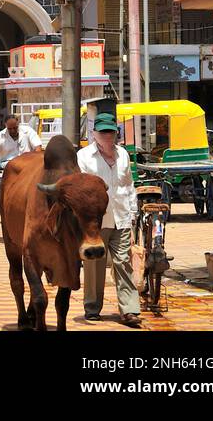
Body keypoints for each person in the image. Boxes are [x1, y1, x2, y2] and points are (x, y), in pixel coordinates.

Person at [77, 113, 141, 328]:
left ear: (116, 134)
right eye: (102, 131)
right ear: (94, 134)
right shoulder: (84, 157)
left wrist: (133, 216)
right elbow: (82, 191)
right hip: (96, 222)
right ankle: (92, 307)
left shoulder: (123, 155)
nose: (106, 135)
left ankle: (130, 310)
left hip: (121, 218)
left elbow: (129, 185)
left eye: (110, 132)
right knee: (93, 266)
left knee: (123, 263)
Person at [0, 114, 41, 213]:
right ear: (5, 126)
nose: (13, 131)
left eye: (15, 128)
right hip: (8, 169)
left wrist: (34, 158)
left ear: (18, 123)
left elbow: (38, 148)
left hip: (27, 167)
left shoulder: (28, 132)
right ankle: (1, 208)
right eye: (10, 129)